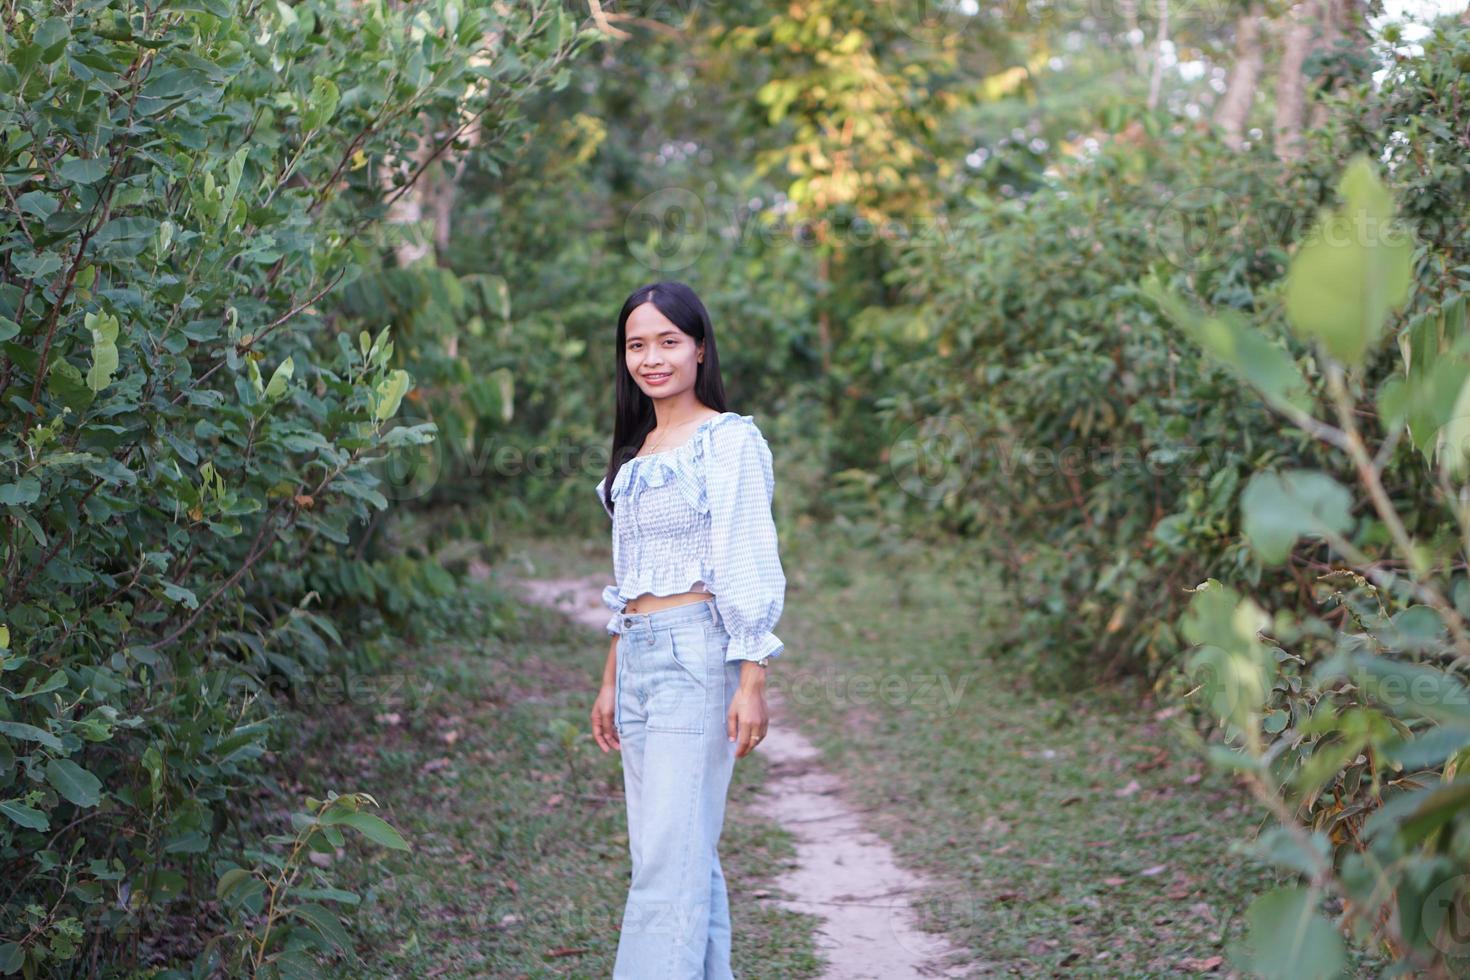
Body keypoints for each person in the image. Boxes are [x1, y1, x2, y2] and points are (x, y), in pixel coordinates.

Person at [589, 280, 787, 979]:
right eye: (636, 344)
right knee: (675, 856)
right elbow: (630, 575)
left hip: (697, 654)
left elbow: (746, 556)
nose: (651, 358)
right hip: (641, 659)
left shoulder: (727, 441)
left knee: (666, 868)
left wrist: (752, 676)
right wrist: (613, 676)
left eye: (668, 342)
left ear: (699, 349)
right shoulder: (638, 452)